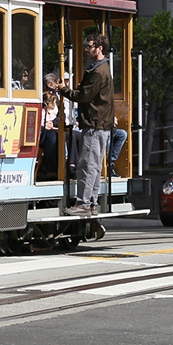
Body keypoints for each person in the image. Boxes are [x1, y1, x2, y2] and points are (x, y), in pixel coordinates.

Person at [48, 34, 114, 216]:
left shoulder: (99, 72)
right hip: (98, 124)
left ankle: (84, 204)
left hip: (94, 124)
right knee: (93, 165)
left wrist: (63, 90)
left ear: (100, 48)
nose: (87, 49)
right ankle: (91, 203)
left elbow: (83, 96)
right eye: (86, 46)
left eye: (90, 46)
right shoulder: (100, 68)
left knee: (87, 165)